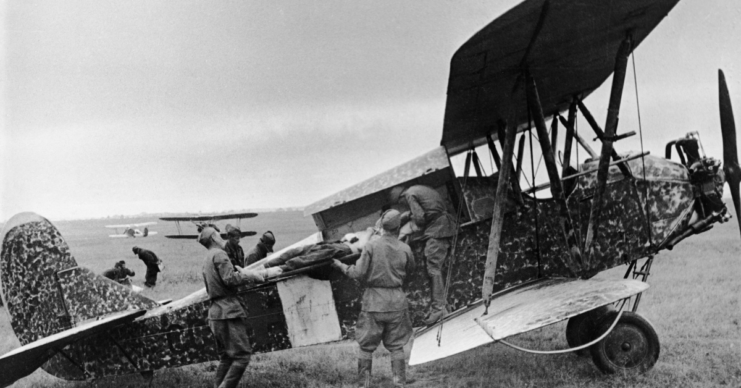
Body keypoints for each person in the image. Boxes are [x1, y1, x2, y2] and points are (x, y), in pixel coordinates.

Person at [332, 210, 415, 388]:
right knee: (396, 347)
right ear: (398, 227)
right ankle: (399, 383)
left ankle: (364, 385)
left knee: (366, 347)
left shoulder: (371, 246)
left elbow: (358, 273)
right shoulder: (405, 248)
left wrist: (340, 266)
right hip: (397, 302)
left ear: (382, 226)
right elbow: (411, 272)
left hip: (373, 302)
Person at [199, 226, 266, 388]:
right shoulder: (220, 254)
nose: (222, 238)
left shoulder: (207, 258)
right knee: (242, 356)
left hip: (215, 312)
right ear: (214, 238)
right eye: (219, 235)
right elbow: (229, 279)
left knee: (227, 357)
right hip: (228, 311)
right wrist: (249, 275)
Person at [389, 185, 457, 326]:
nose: (402, 205)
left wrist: (408, 217)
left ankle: (439, 308)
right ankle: (445, 306)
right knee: (436, 268)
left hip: (438, 229)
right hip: (443, 225)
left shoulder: (409, 195)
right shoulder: (417, 189)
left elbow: (420, 219)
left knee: (433, 269)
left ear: (400, 197)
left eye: (400, 203)